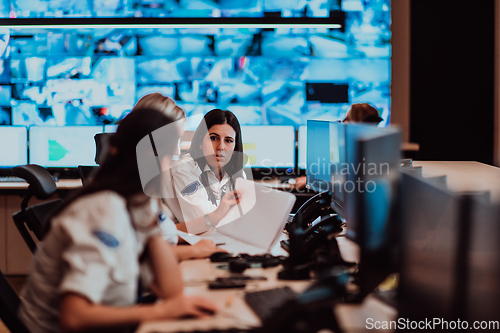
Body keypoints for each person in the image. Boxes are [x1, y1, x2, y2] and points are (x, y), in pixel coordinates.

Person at [17, 108, 241, 333]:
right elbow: (74, 317)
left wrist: (152, 225)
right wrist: (162, 311)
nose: (168, 164)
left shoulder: (138, 204)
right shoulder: (102, 210)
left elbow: (169, 290)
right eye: (163, 155)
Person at [130, 93, 228, 259]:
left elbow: (160, 233)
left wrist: (216, 217)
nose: (176, 151)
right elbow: (136, 252)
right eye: (173, 140)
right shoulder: (127, 192)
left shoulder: (148, 183)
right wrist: (193, 250)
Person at [163, 109, 246, 234]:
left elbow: (245, 218)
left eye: (228, 141)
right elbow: (202, 220)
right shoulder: (183, 168)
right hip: (187, 243)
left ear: (234, 148)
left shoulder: (238, 175)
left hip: (222, 242)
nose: (221, 147)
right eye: (214, 138)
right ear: (201, 142)